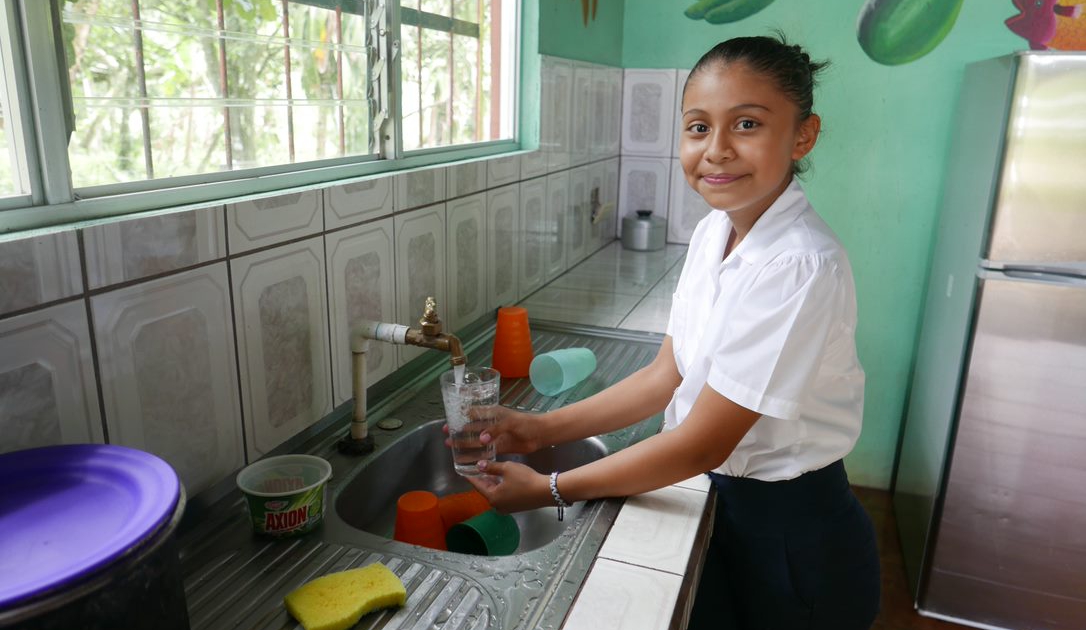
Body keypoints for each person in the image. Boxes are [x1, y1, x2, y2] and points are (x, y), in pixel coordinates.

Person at [457, 34, 880, 630]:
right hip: (719, 503)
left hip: (790, 538)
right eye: (698, 127)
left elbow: (702, 444)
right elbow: (667, 375)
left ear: (803, 135)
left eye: (748, 124)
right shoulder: (714, 232)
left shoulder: (799, 264)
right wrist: (538, 428)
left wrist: (550, 487)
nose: (717, 150)